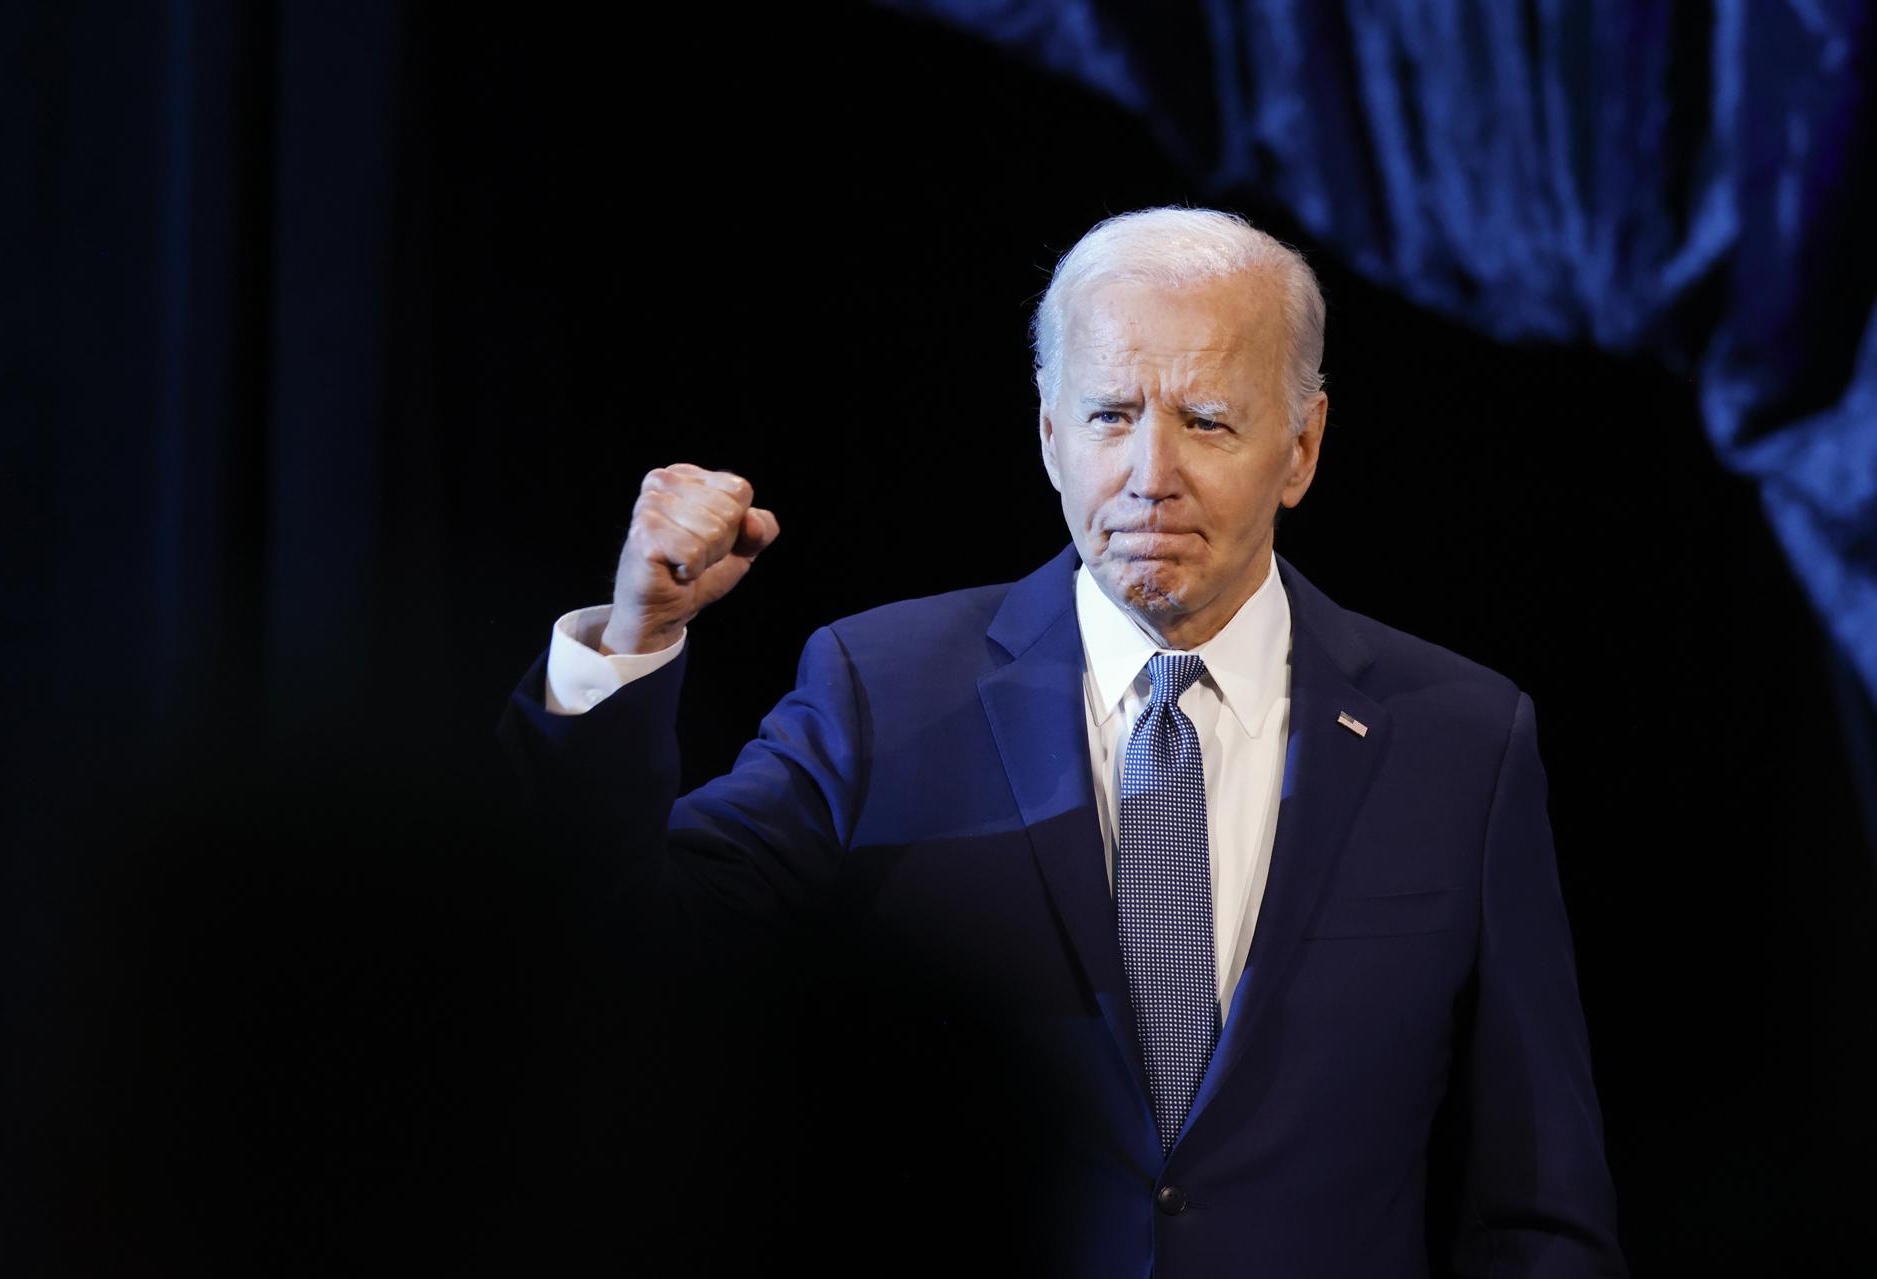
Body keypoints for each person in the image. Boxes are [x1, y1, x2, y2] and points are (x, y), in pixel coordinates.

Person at [497, 207, 1626, 1276]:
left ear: (1302, 446)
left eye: (1207, 420)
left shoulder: (1462, 739)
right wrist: (636, 636)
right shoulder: (883, 689)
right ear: (1048, 431)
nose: (1150, 477)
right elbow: (621, 940)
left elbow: (1538, 1205)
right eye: (1111, 415)